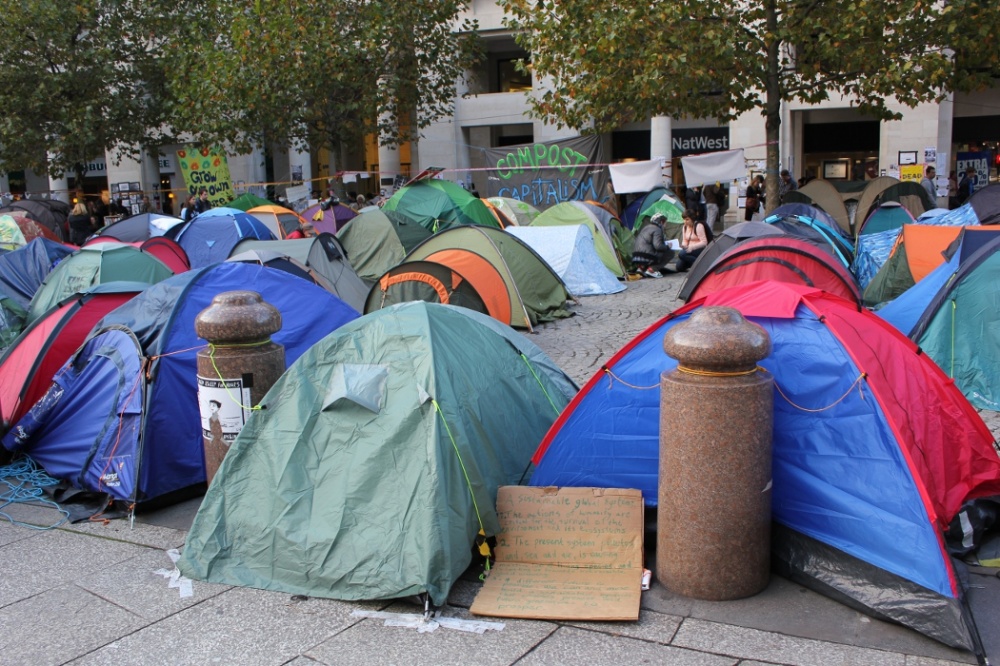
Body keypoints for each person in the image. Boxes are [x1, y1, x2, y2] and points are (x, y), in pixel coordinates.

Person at [631, 213, 675, 278]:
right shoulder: (657, 229)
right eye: (665, 223)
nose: (665, 225)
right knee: (670, 252)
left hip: (636, 256)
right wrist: (668, 246)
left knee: (651, 249)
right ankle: (652, 269)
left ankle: (641, 268)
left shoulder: (646, 227)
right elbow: (658, 246)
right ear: (661, 222)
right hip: (646, 256)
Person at [675, 208, 709, 272]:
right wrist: (683, 246)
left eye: (687, 219)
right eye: (684, 219)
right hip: (689, 248)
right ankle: (693, 263)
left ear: (692, 219)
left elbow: (704, 242)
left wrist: (692, 247)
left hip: (699, 248)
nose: (685, 221)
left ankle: (700, 264)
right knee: (679, 267)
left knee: (682, 254)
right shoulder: (685, 227)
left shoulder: (698, 226)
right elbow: (685, 240)